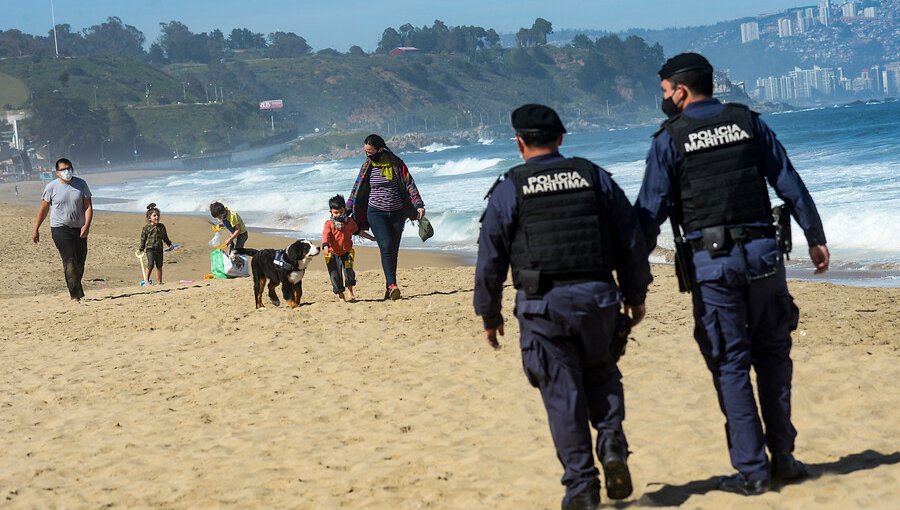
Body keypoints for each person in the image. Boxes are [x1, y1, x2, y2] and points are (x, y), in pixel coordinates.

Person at [634, 53, 830, 496]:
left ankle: (752, 470)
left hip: (713, 264)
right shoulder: (747, 122)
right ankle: (784, 457)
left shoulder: (671, 138)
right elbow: (788, 180)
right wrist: (815, 236)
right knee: (774, 356)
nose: (664, 98)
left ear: (681, 91)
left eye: (665, 91)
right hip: (764, 257)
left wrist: (633, 276)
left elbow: (649, 212)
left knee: (731, 364)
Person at [474, 104, 652, 510]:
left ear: (519, 143)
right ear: (561, 139)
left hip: (543, 308)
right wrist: (636, 294)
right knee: (603, 373)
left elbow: (491, 257)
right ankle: (610, 441)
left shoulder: (510, 188)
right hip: (598, 298)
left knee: (563, 395)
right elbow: (630, 239)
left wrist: (490, 314)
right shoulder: (593, 176)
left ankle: (581, 486)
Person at [346, 134, 425, 301]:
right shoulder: (367, 166)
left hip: (397, 213)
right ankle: (392, 285)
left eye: (370, 152)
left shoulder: (397, 164)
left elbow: (410, 183)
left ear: (380, 149)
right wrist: (347, 209)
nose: (368, 155)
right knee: (386, 245)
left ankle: (389, 286)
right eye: (366, 152)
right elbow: (356, 189)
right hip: (375, 212)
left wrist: (418, 204)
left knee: (393, 251)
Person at [31, 158, 93, 302]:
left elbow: (88, 207)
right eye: (63, 169)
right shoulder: (51, 187)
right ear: (57, 172)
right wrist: (36, 229)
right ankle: (75, 296)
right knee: (69, 259)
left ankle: (75, 288)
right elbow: (43, 209)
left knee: (80, 261)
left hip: (79, 227)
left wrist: (87, 225)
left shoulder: (81, 184)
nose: (67, 171)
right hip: (60, 228)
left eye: (69, 168)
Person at [322, 194, 376, 301]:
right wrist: (325, 246)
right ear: (331, 212)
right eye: (335, 213)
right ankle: (341, 296)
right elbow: (325, 235)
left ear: (345, 210)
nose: (338, 215)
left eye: (341, 212)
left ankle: (350, 292)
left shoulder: (350, 222)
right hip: (332, 254)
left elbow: (358, 232)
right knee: (335, 275)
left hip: (347, 252)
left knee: (349, 272)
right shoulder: (329, 224)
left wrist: (372, 238)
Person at [138, 203, 173, 286]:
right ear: (149, 218)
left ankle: (160, 281)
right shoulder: (146, 228)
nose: (157, 217)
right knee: (150, 264)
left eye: (158, 215)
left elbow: (165, 237)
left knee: (159, 265)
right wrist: (141, 248)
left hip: (159, 248)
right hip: (150, 249)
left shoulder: (161, 226)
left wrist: (169, 244)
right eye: (154, 215)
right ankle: (146, 280)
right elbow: (143, 239)